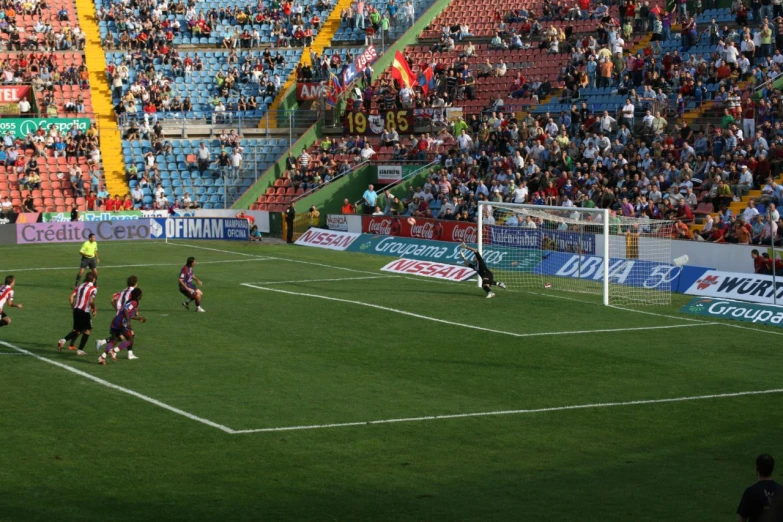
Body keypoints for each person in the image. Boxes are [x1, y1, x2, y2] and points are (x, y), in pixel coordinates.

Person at [99, 288, 146, 365]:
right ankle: (114, 351)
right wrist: (128, 322)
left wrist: (139, 318)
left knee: (114, 341)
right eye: (141, 294)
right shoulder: (134, 302)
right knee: (130, 339)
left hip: (116, 321)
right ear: (138, 296)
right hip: (121, 324)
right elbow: (126, 310)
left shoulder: (130, 301)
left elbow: (129, 314)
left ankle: (102, 357)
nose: (142, 296)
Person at [96, 276, 139, 357]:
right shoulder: (134, 292)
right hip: (125, 317)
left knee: (119, 337)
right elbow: (134, 303)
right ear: (136, 283)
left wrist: (118, 310)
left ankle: (103, 345)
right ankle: (125, 353)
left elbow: (112, 300)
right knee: (129, 335)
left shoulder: (122, 291)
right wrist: (136, 312)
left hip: (118, 317)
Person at [57, 272, 97, 356]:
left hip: (76, 310)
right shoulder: (93, 288)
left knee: (78, 331)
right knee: (87, 330)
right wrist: (94, 308)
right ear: (93, 279)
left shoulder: (80, 286)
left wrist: (73, 308)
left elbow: (70, 297)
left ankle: (62, 341)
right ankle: (80, 350)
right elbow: (91, 301)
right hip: (84, 311)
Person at [737, 454, 782, 522]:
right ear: (772, 469)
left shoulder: (750, 492)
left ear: (756, 468)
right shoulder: (781, 490)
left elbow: (742, 520)